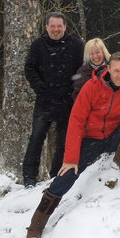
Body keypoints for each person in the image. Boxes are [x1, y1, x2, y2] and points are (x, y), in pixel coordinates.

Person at [26, 52, 120, 238]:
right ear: (109, 69)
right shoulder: (92, 87)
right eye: (117, 71)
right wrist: (71, 158)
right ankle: (35, 227)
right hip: (92, 140)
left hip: (116, 136)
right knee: (66, 176)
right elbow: (76, 121)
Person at [23, 12, 84, 188]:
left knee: (64, 140)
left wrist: (74, 90)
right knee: (36, 137)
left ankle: (56, 174)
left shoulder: (76, 45)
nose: (56, 29)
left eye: (59, 26)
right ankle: (29, 177)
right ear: (47, 27)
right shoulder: (38, 45)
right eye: (53, 26)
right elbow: (30, 68)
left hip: (68, 99)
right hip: (45, 99)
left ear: (65, 27)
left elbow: (82, 70)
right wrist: (40, 88)